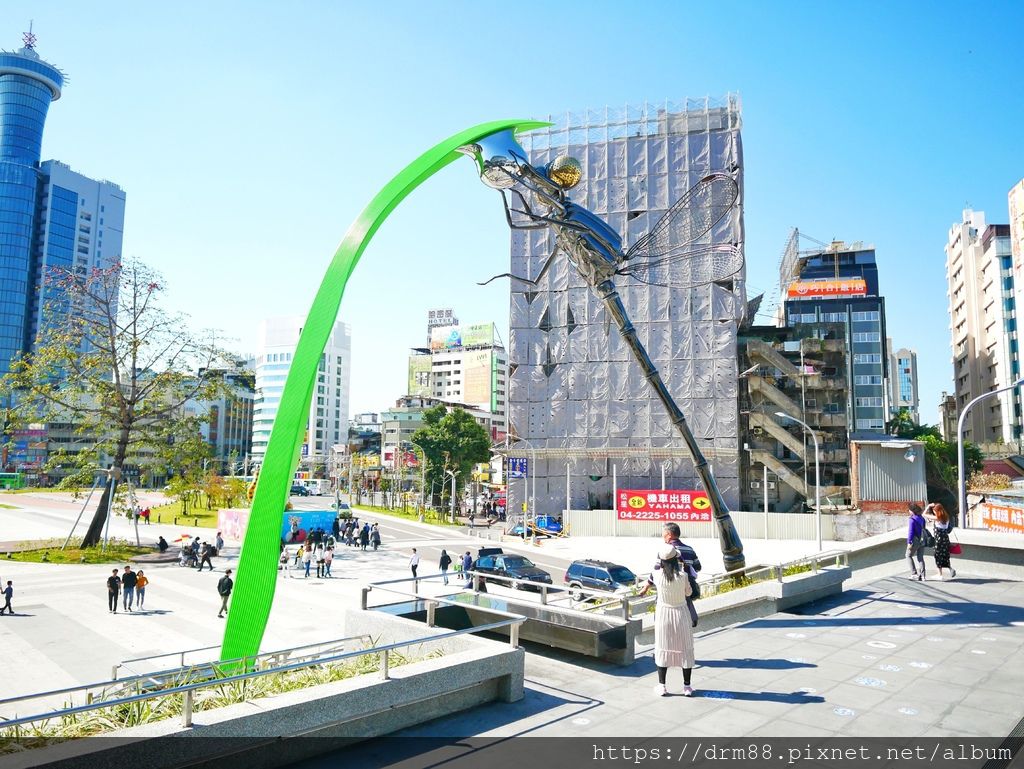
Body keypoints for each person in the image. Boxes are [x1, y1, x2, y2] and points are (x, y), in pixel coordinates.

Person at [640, 545, 695, 696]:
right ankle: (687, 687)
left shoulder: (656, 575)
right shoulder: (682, 576)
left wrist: (644, 589)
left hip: (663, 614)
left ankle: (662, 686)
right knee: (685, 648)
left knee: (663, 647)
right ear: (676, 559)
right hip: (681, 613)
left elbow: (651, 578)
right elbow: (689, 593)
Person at [660, 523, 701, 627]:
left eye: (663, 533)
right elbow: (698, 567)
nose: (662, 536)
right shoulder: (689, 549)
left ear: (669, 534)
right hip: (686, 589)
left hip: (669, 589)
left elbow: (657, 569)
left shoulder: (665, 551)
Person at [925, 502, 957, 580]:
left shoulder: (937, 518)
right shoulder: (946, 517)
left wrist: (928, 506)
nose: (934, 512)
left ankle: (939, 574)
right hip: (945, 539)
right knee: (945, 555)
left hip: (938, 540)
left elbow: (924, 514)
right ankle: (950, 569)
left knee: (937, 555)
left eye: (935, 511)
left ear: (938, 511)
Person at [907, 503, 927, 581]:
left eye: (909, 510)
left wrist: (909, 542)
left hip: (915, 540)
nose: (908, 511)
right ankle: (923, 576)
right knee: (920, 558)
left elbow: (911, 532)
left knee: (908, 555)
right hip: (922, 540)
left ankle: (914, 573)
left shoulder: (912, 520)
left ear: (912, 511)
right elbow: (924, 529)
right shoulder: (922, 518)